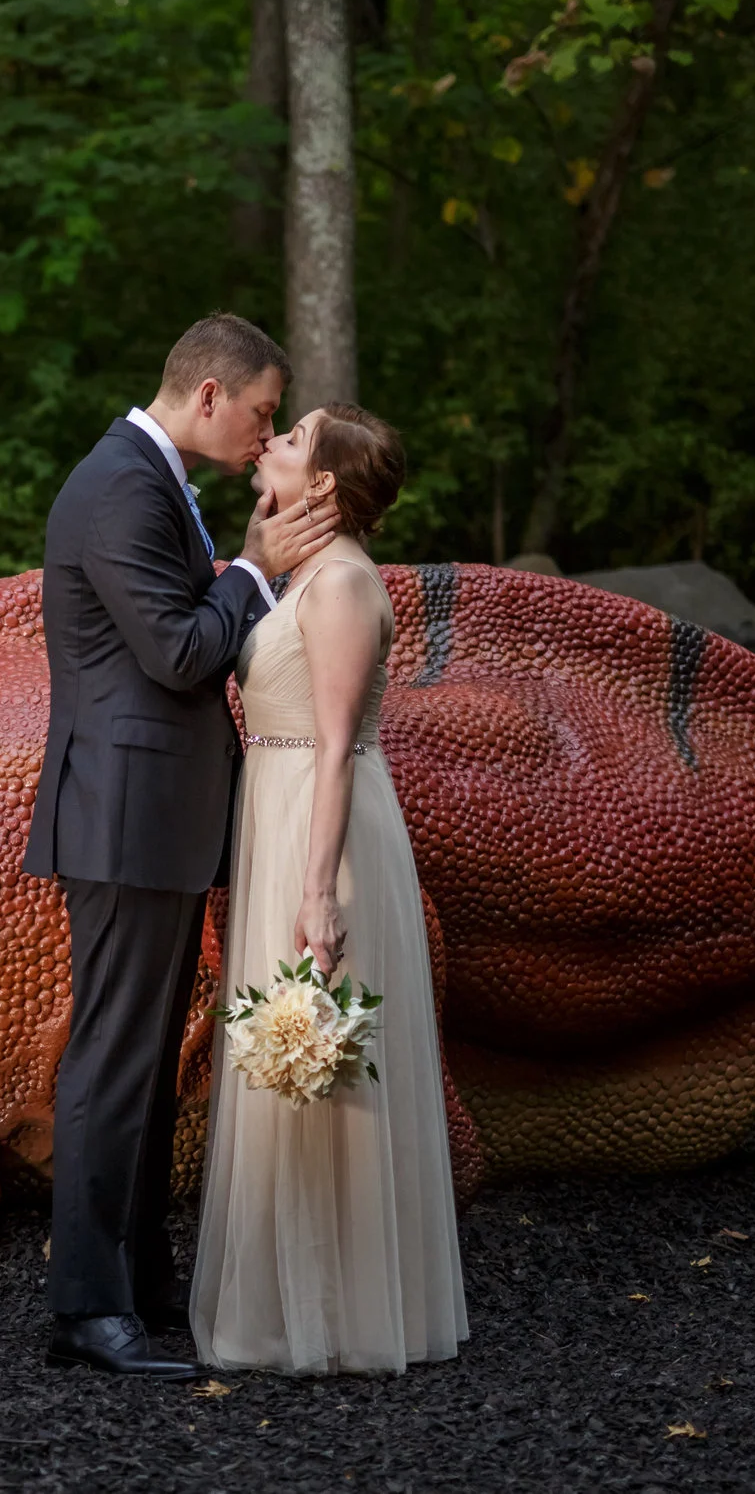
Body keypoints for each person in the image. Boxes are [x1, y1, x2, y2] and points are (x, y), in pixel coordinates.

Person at [24, 312, 338, 1379]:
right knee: (112, 1062)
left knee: (146, 1064)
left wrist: (241, 568)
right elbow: (178, 652)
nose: (263, 435)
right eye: (260, 411)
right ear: (209, 394)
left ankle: (137, 1280)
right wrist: (251, 567)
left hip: (150, 814)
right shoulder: (121, 485)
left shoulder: (151, 478)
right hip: (123, 815)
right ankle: (85, 1309)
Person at [190, 403, 470, 1376]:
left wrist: (317, 891)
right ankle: (290, 1302)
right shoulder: (297, 573)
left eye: (292, 437)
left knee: (321, 1054)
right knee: (289, 1064)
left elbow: (341, 743)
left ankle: (340, 1313)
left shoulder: (344, 582)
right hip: (278, 808)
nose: (269, 439)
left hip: (322, 825)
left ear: (323, 484)